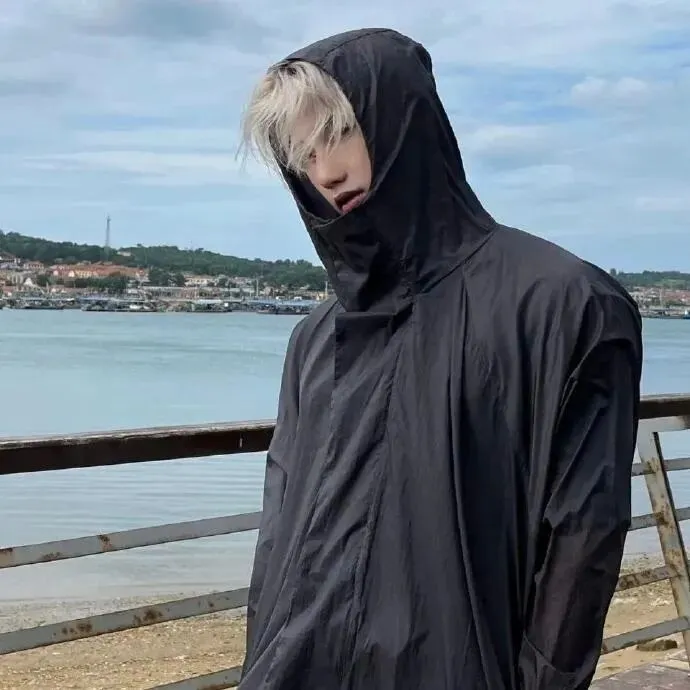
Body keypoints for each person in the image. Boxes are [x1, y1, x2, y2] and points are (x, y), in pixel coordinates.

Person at [238, 28, 643, 690]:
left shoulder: (566, 305)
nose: (326, 172)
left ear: (403, 118)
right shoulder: (313, 338)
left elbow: (582, 542)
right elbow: (277, 535)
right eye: (304, 155)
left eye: (339, 133)